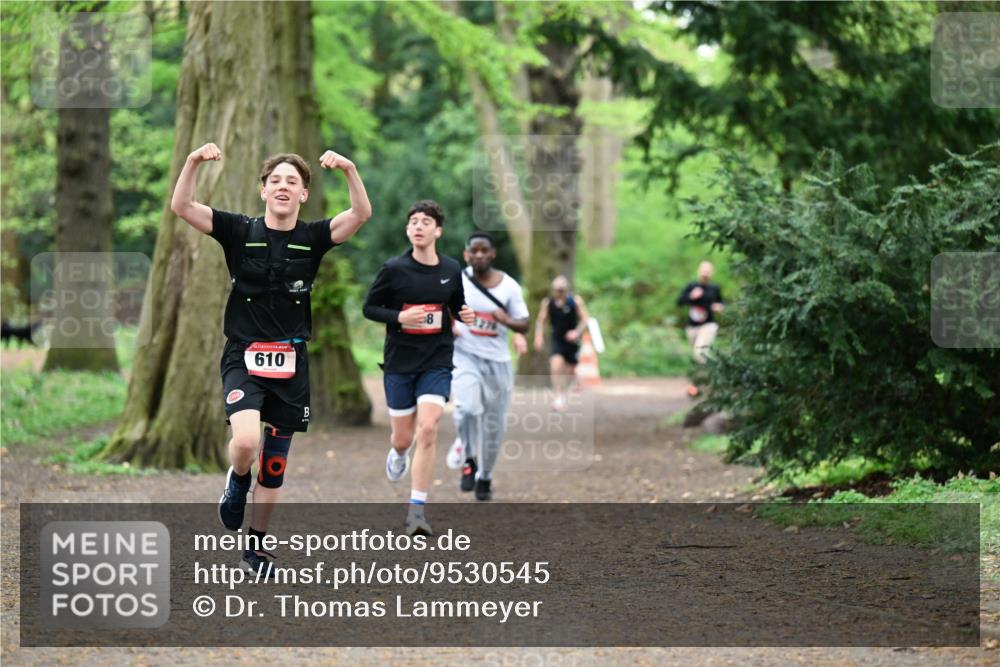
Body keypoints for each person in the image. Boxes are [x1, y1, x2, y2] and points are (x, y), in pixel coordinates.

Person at [170, 142, 371, 577]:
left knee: (276, 461)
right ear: (263, 191)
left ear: (303, 195)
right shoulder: (239, 231)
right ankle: (237, 480)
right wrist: (192, 162)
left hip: (291, 361)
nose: (283, 186)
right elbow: (182, 205)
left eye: (292, 182)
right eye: (275, 180)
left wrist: (350, 169)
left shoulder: (314, 238)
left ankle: (256, 549)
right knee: (245, 443)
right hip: (244, 356)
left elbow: (359, 215)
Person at [362, 200, 474, 536]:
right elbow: (370, 308)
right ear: (408, 230)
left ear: (437, 230)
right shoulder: (394, 269)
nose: (418, 226)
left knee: (428, 429)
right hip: (400, 361)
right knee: (403, 438)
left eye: (426, 221)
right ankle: (398, 454)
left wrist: (464, 313)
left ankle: (416, 512)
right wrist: (399, 317)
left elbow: (456, 304)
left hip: (436, 359)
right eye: (413, 221)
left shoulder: (451, 269)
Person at [445, 232, 530, 501]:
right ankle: (469, 459)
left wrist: (505, 320)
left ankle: (485, 477)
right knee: (467, 408)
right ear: (466, 254)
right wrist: (451, 326)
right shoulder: (456, 279)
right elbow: (442, 305)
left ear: (492, 254)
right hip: (464, 355)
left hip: (498, 363)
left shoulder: (509, 287)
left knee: (494, 425)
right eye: (474, 251)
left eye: (485, 251)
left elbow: (524, 323)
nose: (479, 255)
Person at [533, 275, 589, 411]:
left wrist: (576, 332)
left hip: (572, 341)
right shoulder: (548, 303)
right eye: (557, 290)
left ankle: (570, 387)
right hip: (557, 339)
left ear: (567, 289)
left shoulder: (575, 301)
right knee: (556, 366)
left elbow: (585, 319)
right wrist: (538, 336)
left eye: (562, 290)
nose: (559, 292)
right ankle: (559, 397)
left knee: (570, 371)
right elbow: (540, 321)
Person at [676, 260, 725, 396]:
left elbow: (721, 303)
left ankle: (710, 379)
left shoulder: (714, 288)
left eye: (708, 270)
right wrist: (691, 296)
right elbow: (679, 301)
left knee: (700, 353)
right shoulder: (692, 286)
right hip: (692, 327)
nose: (705, 273)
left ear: (712, 273)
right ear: (699, 271)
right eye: (703, 270)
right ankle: (705, 383)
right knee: (698, 357)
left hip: (708, 325)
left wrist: (720, 307)